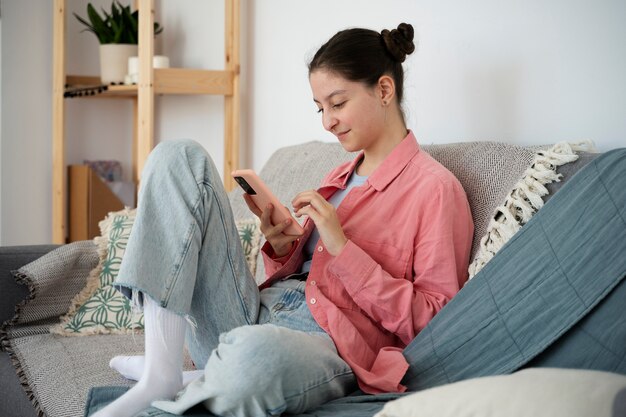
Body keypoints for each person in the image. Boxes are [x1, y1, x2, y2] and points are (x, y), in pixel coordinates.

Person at [91, 22, 474, 417]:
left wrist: (342, 247)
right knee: (178, 156)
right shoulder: (337, 176)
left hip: (322, 346)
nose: (327, 122)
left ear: (383, 90)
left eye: (337, 104)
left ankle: (210, 373)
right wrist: (283, 247)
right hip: (256, 313)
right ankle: (163, 371)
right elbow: (305, 276)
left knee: (254, 359)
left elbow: (434, 322)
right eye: (320, 108)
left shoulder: (435, 190)